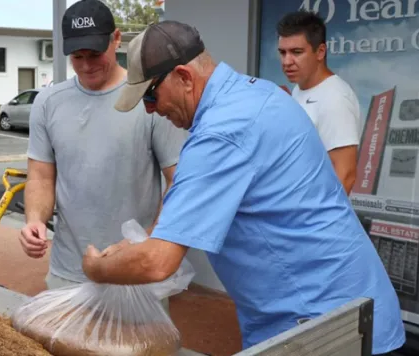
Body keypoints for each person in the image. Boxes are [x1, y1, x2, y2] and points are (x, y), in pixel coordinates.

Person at [81, 20, 406, 355]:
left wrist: (96, 269)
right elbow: (186, 194)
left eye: (150, 94)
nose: (150, 109)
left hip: (321, 322)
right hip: (342, 306)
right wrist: (147, 238)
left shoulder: (222, 133)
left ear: (184, 77)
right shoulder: (256, 93)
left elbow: (157, 263)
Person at [20, 0, 188, 307]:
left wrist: (148, 241)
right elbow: (42, 177)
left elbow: (179, 183)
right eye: (77, 56)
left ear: (117, 39)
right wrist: (35, 220)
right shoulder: (48, 102)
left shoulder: (150, 99)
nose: (86, 65)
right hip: (67, 273)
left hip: (134, 276)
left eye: (95, 54)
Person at [277, 10, 361, 194]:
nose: (287, 61)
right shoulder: (300, 89)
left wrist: (315, 221)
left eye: (296, 52)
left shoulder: (335, 97)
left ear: (320, 51)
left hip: (312, 218)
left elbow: (346, 174)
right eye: (282, 52)